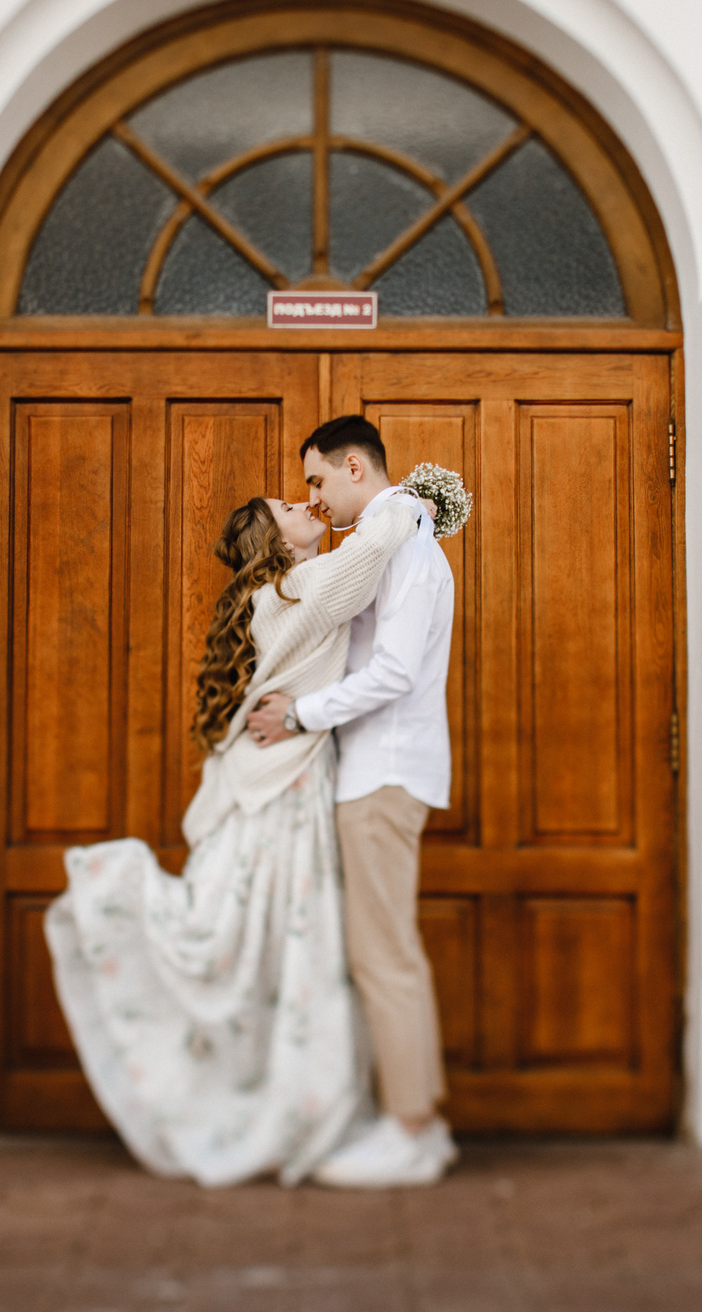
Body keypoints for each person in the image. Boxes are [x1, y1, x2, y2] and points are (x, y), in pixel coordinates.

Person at [44, 481, 429, 1186]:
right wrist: (410, 495)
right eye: (288, 507)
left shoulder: (280, 595)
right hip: (282, 792)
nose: (302, 501)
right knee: (283, 944)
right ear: (278, 543)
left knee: (284, 948)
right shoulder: (294, 592)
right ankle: (282, 1107)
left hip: (285, 779)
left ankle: (291, 1099)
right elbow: (376, 544)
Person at [246, 414, 458, 1188]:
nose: (314, 495)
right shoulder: (388, 541)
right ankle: (417, 1122)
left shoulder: (404, 547)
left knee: (384, 955)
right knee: (385, 951)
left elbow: (395, 671)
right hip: (375, 772)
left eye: (317, 479)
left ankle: (410, 1129)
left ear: (356, 470)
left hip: (385, 773)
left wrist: (300, 714)